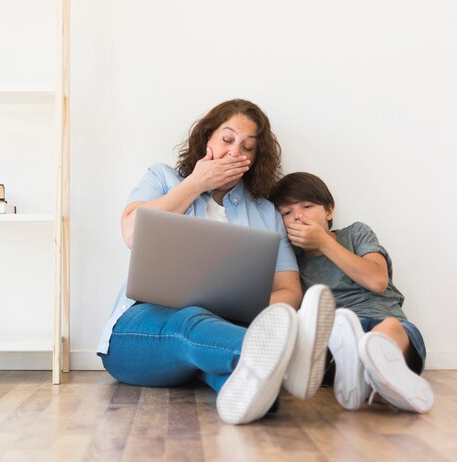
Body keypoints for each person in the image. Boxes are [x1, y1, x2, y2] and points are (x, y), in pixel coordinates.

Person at [96, 99, 335, 425]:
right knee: (192, 319)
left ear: (254, 160)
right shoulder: (163, 178)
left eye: (248, 147)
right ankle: (293, 359)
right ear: (207, 138)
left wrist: (240, 312)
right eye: (227, 139)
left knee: (256, 390)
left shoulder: (264, 212)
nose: (236, 151)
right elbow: (132, 232)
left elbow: (288, 289)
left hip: (215, 341)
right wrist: (197, 183)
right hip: (137, 336)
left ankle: (263, 381)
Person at [269, 172, 434, 413]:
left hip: (384, 322)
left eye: (307, 206)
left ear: (329, 210)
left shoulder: (355, 233)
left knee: (388, 330)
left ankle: (371, 371)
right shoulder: (289, 263)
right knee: (327, 337)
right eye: (287, 213)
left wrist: (324, 243)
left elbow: (377, 280)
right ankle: (371, 379)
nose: (298, 217)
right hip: (332, 340)